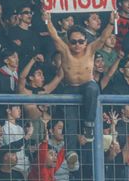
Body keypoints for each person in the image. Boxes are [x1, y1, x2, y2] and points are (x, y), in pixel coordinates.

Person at [43, 10, 115, 140]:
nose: (77, 44)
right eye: (74, 41)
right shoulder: (65, 51)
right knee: (70, 121)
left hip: (87, 85)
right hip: (70, 87)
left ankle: (89, 125)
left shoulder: (91, 49)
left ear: (86, 41)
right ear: (68, 42)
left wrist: (111, 22)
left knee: (93, 88)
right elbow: (54, 36)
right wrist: (47, 20)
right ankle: (71, 154)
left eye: (81, 41)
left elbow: (103, 37)